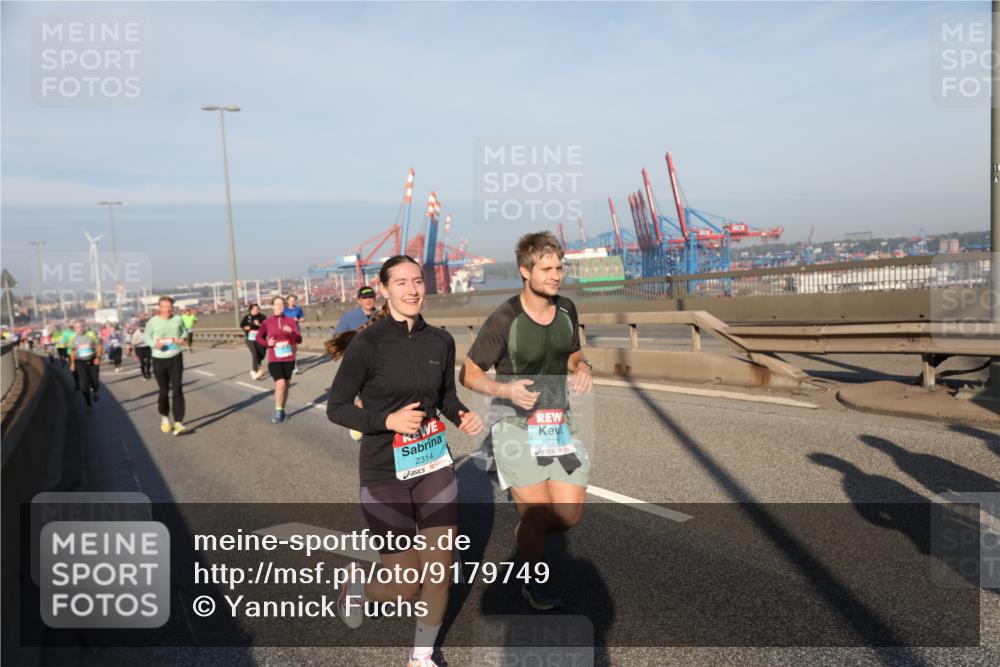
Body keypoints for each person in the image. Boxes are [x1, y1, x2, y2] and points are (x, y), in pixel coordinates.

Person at [326, 255, 484, 667]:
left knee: (437, 572)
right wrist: (387, 420)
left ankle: (421, 655)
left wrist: (461, 414)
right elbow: (337, 406)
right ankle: (358, 589)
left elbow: (446, 397)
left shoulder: (441, 340)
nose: (412, 289)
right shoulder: (368, 343)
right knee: (405, 584)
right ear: (385, 289)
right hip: (384, 473)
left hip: (434, 465)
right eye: (401, 283)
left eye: (417, 281)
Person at [460, 231, 594, 611]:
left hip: (557, 424)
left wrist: (582, 366)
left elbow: (572, 351)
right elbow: (468, 373)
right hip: (514, 427)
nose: (556, 275)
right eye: (547, 268)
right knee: (537, 513)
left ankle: (528, 536)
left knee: (568, 514)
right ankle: (533, 581)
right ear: (524, 271)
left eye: (559, 267)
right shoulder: (504, 318)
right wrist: (506, 391)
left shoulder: (567, 307)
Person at [327, 285, 380, 442]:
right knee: (366, 397)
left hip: (379, 364)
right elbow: (337, 338)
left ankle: (374, 426)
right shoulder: (349, 318)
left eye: (371, 296)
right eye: (365, 297)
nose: (368, 300)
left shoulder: (381, 316)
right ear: (358, 300)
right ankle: (359, 425)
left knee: (376, 396)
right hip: (358, 366)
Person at [256, 295, 302, 424]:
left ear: (284, 306)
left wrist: (291, 333)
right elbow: (259, 338)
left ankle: (281, 409)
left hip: (289, 358)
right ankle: (278, 412)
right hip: (274, 358)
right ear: (272, 306)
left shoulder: (290, 321)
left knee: (286, 387)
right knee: (280, 385)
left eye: (281, 304)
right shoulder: (267, 322)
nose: (279, 306)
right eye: (276, 304)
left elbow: (299, 339)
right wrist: (267, 343)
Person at [145, 296, 188, 435]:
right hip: (159, 359)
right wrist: (154, 344)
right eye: (164, 306)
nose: (167, 309)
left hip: (175, 357)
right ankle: (164, 416)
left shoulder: (178, 319)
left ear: (172, 307)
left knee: (177, 389)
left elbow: (184, 331)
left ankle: (178, 422)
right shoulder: (153, 322)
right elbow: (146, 337)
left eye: (170, 307)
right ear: (159, 307)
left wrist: (182, 338)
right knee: (164, 390)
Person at [69, 320, 103, 410]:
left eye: (81, 327)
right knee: (84, 384)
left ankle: (95, 391)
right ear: (75, 329)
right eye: (77, 327)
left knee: (95, 382)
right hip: (80, 362)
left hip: (92, 360)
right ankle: (88, 404)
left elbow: (99, 346)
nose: (79, 329)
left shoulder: (90, 335)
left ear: (84, 327)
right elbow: (73, 352)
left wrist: (98, 357)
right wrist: (72, 364)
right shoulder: (73, 339)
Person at [240, 303, 267, 380]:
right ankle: (255, 371)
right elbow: (242, 326)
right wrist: (247, 328)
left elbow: (266, 326)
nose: (255, 310)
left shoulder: (262, 317)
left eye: (257, 309)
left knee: (261, 354)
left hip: (260, 338)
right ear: (250, 310)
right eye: (254, 309)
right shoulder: (247, 317)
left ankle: (258, 369)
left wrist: (259, 325)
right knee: (254, 354)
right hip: (250, 339)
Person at [283, 294, 305, 374]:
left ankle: (294, 366)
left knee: (294, 349)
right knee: (287, 348)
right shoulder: (284, 309)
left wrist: (298, 319)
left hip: (295, 330)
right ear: (287, 301)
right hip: (285, 331)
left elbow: (303, 318)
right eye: (291, 300)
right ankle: (287, 364)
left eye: (294, 300)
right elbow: (280, 319)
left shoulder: (298, 309)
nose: (292, 302)